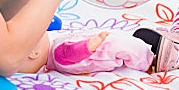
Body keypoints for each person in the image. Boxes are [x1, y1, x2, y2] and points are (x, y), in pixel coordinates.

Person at [17, 30, 153, 75]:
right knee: (127, 49)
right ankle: (150, 61)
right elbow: (75, 51)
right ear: (34, 52)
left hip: (103, 44)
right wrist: (95, 42)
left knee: (128, 45)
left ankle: (145, 46)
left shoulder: (54, 48)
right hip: (105, 50)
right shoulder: (58, 54)